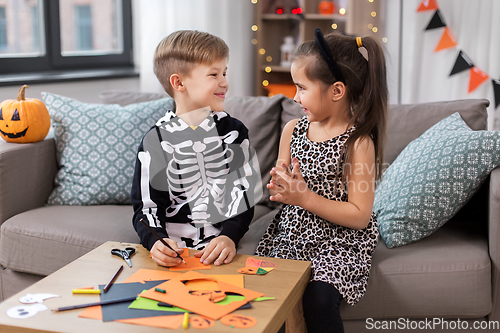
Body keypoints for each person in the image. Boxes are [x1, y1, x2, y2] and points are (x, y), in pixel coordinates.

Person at [256, 29, 387, 333]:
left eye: (301, 88)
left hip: (339, 241)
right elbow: (280, 182)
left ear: (337, 91)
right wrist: (281, 188)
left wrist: (304, 197)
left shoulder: (358, 143)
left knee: (318, 301)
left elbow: (359, 215)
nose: (294, 96)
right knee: (269, 299)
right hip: (293, 234)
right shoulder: (292, 129)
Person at [131, 30, 258, 268]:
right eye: (213, 74)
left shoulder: (234, 132)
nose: (225, 82)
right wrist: (157, 241)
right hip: (174, 252)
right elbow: (146, 208)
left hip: (221, 249)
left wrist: (229, 236)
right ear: (179, 82)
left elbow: (243, 197)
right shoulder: (155, 141)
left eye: (224, 73)